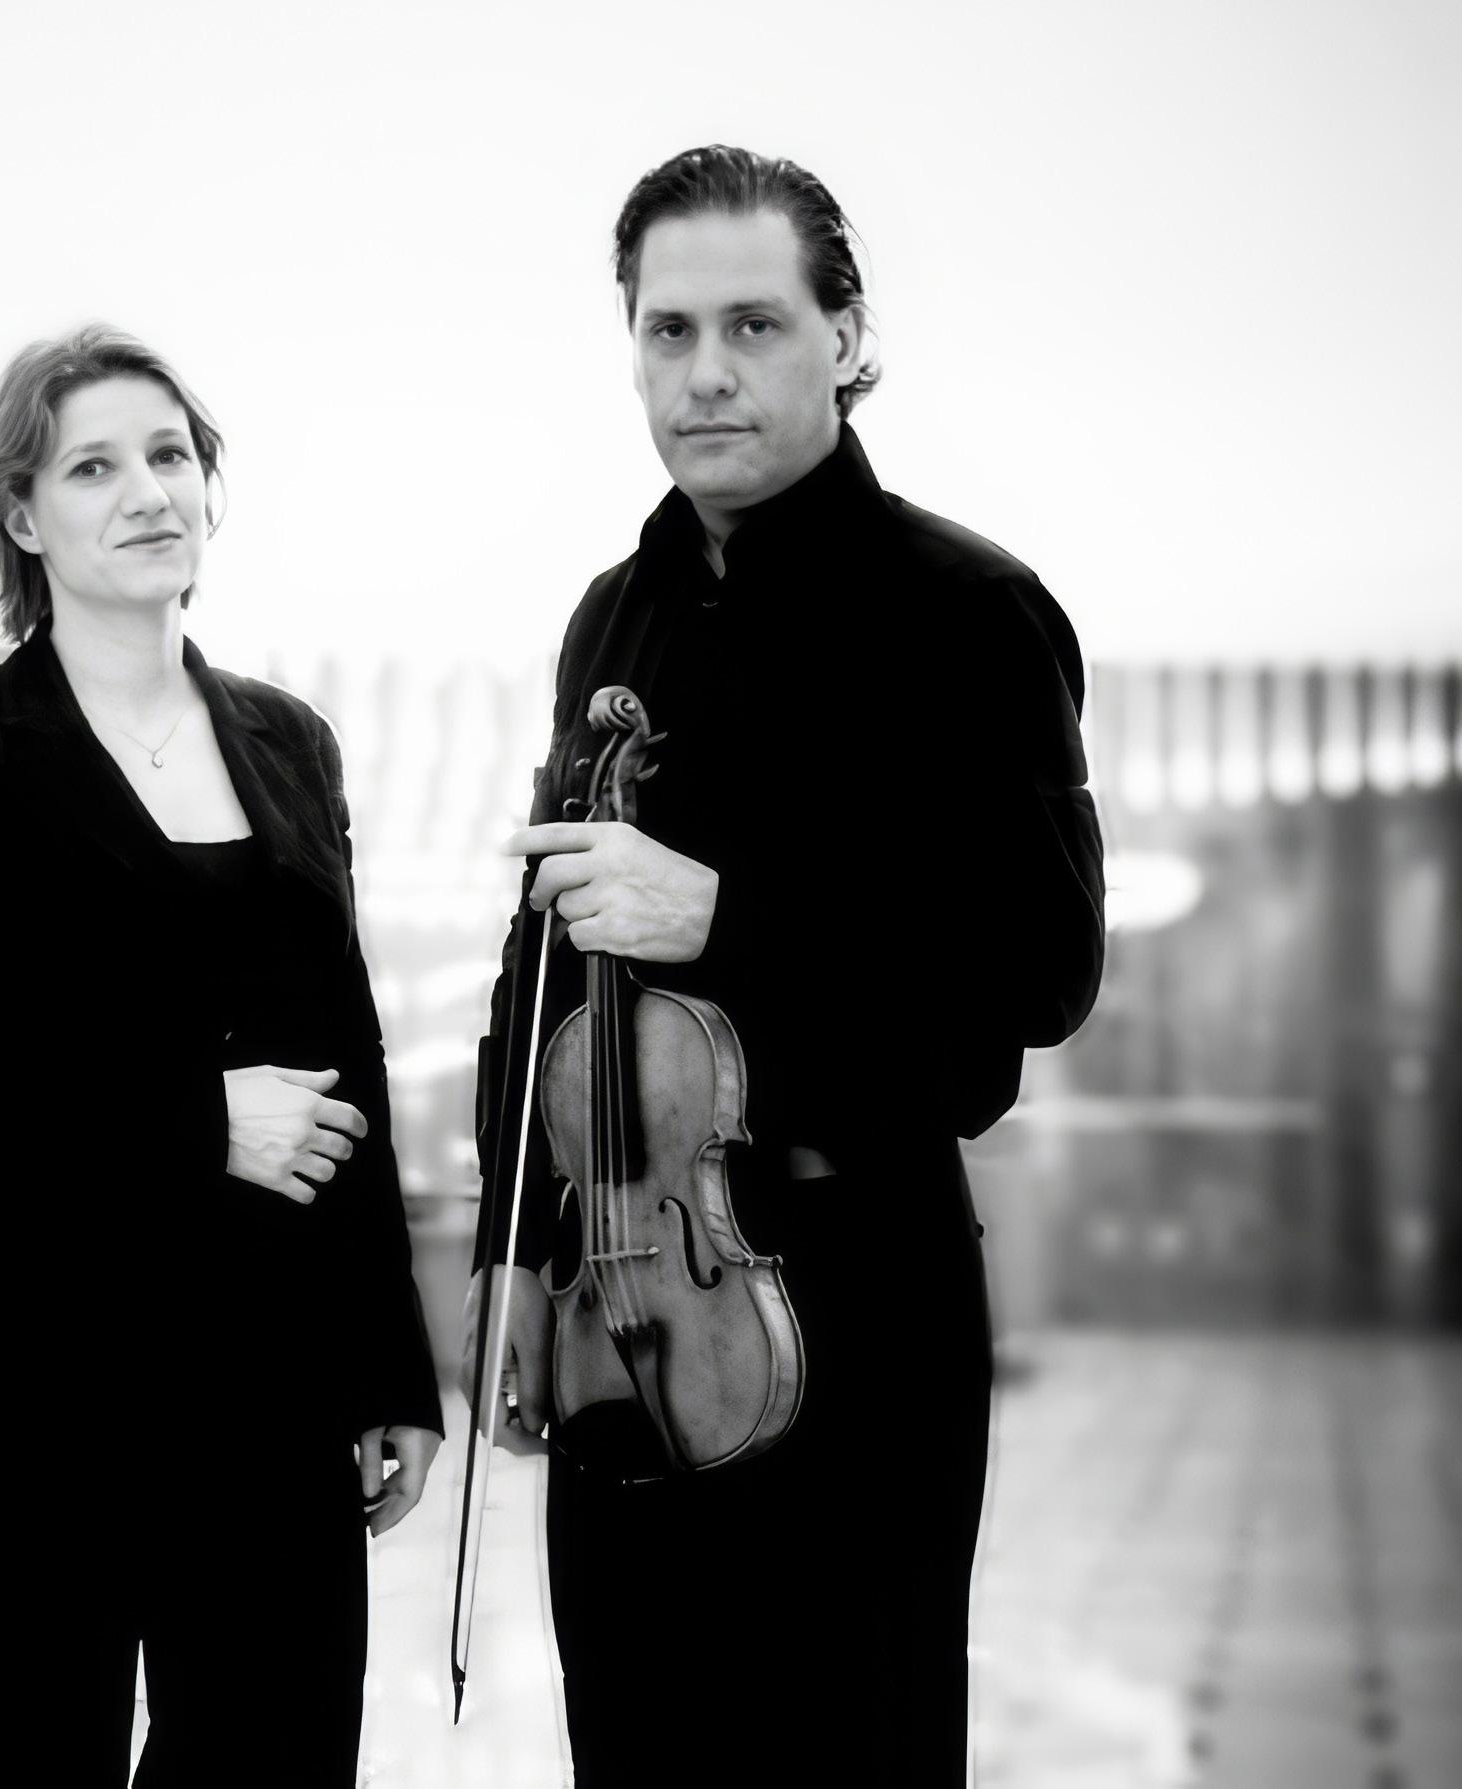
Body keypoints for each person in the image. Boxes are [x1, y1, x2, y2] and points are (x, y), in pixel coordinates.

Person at [467, 147, 1106, 1783]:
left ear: (844, 336)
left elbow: (1037, 972)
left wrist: (725, 917)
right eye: (668, 331)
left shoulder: (970, 611)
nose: (707, 373)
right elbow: (540, 972)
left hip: (862, 1299)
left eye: (753, 324)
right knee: (635, 1749)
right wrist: (513, 1256)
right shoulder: (611, 617)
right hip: (624, 1303)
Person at [0, 323, 442, 1786]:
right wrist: (197, 1121)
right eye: (93, 467)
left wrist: (391, 1365)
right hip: (29, 1379)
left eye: (169, 455)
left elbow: (349, 1055)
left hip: (271, 1378)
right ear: (21, 514)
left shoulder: (289, 741)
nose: (146, 492)